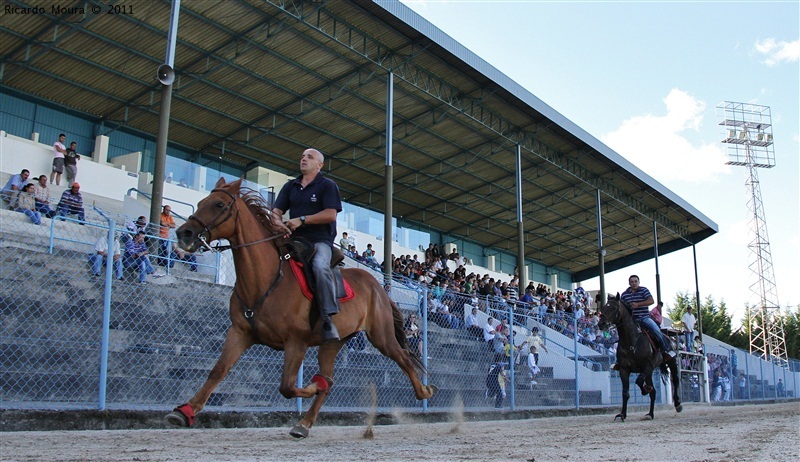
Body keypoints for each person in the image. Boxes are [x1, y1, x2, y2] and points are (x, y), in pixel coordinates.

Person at [272, 148, 343, 342]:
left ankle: (327, 317)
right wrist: (277, 221)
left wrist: (301, 220)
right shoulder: (290, 186)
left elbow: (330, 214)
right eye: (302, 156)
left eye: (309, 157)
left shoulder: (328, 185)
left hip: (320, 240)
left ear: (319, 165)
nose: (304, 159)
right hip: (293, 238)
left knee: (320, 266)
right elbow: (277, 210)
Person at [620, 274, 675, 360]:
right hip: (632, 320)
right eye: (632, 282)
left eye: (635, 281)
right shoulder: (624, 295)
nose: (634, 283)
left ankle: (666, 349)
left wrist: (638, 304)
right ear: (629, 283)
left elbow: (651, 301)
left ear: (638, 282)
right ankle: (620, 358)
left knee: (655, 329)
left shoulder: (643, 290)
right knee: (621, 334)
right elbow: (622, 307)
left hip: (644, 317)